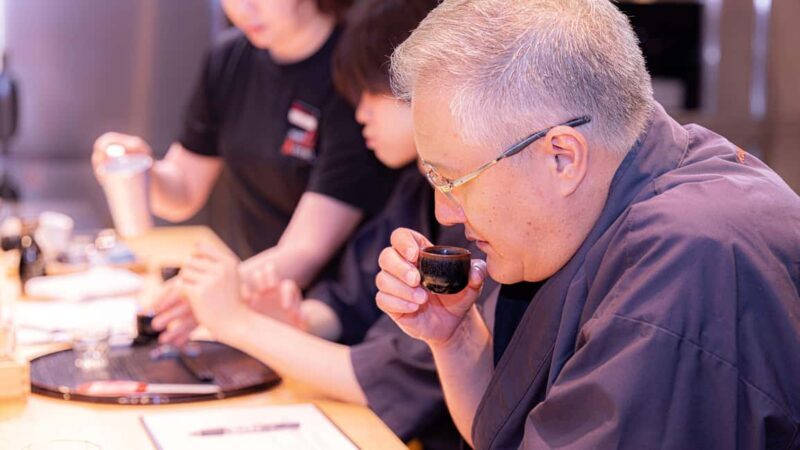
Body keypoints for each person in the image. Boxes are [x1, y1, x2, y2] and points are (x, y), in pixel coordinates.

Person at [374, 0, 800, 448]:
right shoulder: (601, 201)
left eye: (454, 180)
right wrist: (454, 337)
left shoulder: (686, 263)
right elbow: (509, 437)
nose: (445, 213)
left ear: (562, 157)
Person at [156, 1, 484, 448]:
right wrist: (296, 320)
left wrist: (237, 321)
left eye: (370, 95)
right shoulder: (411, 193)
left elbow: (390, 374)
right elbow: (350, 296)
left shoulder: (475, 218)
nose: (358, 114)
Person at [91, 0, 396, 289]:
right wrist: (142, 168)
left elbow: (304, 252)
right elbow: (182, 193)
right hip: (252, 288)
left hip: (335, 310)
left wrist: (203, 294)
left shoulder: (351, 70)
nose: (243, 9)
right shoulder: (228, 59)